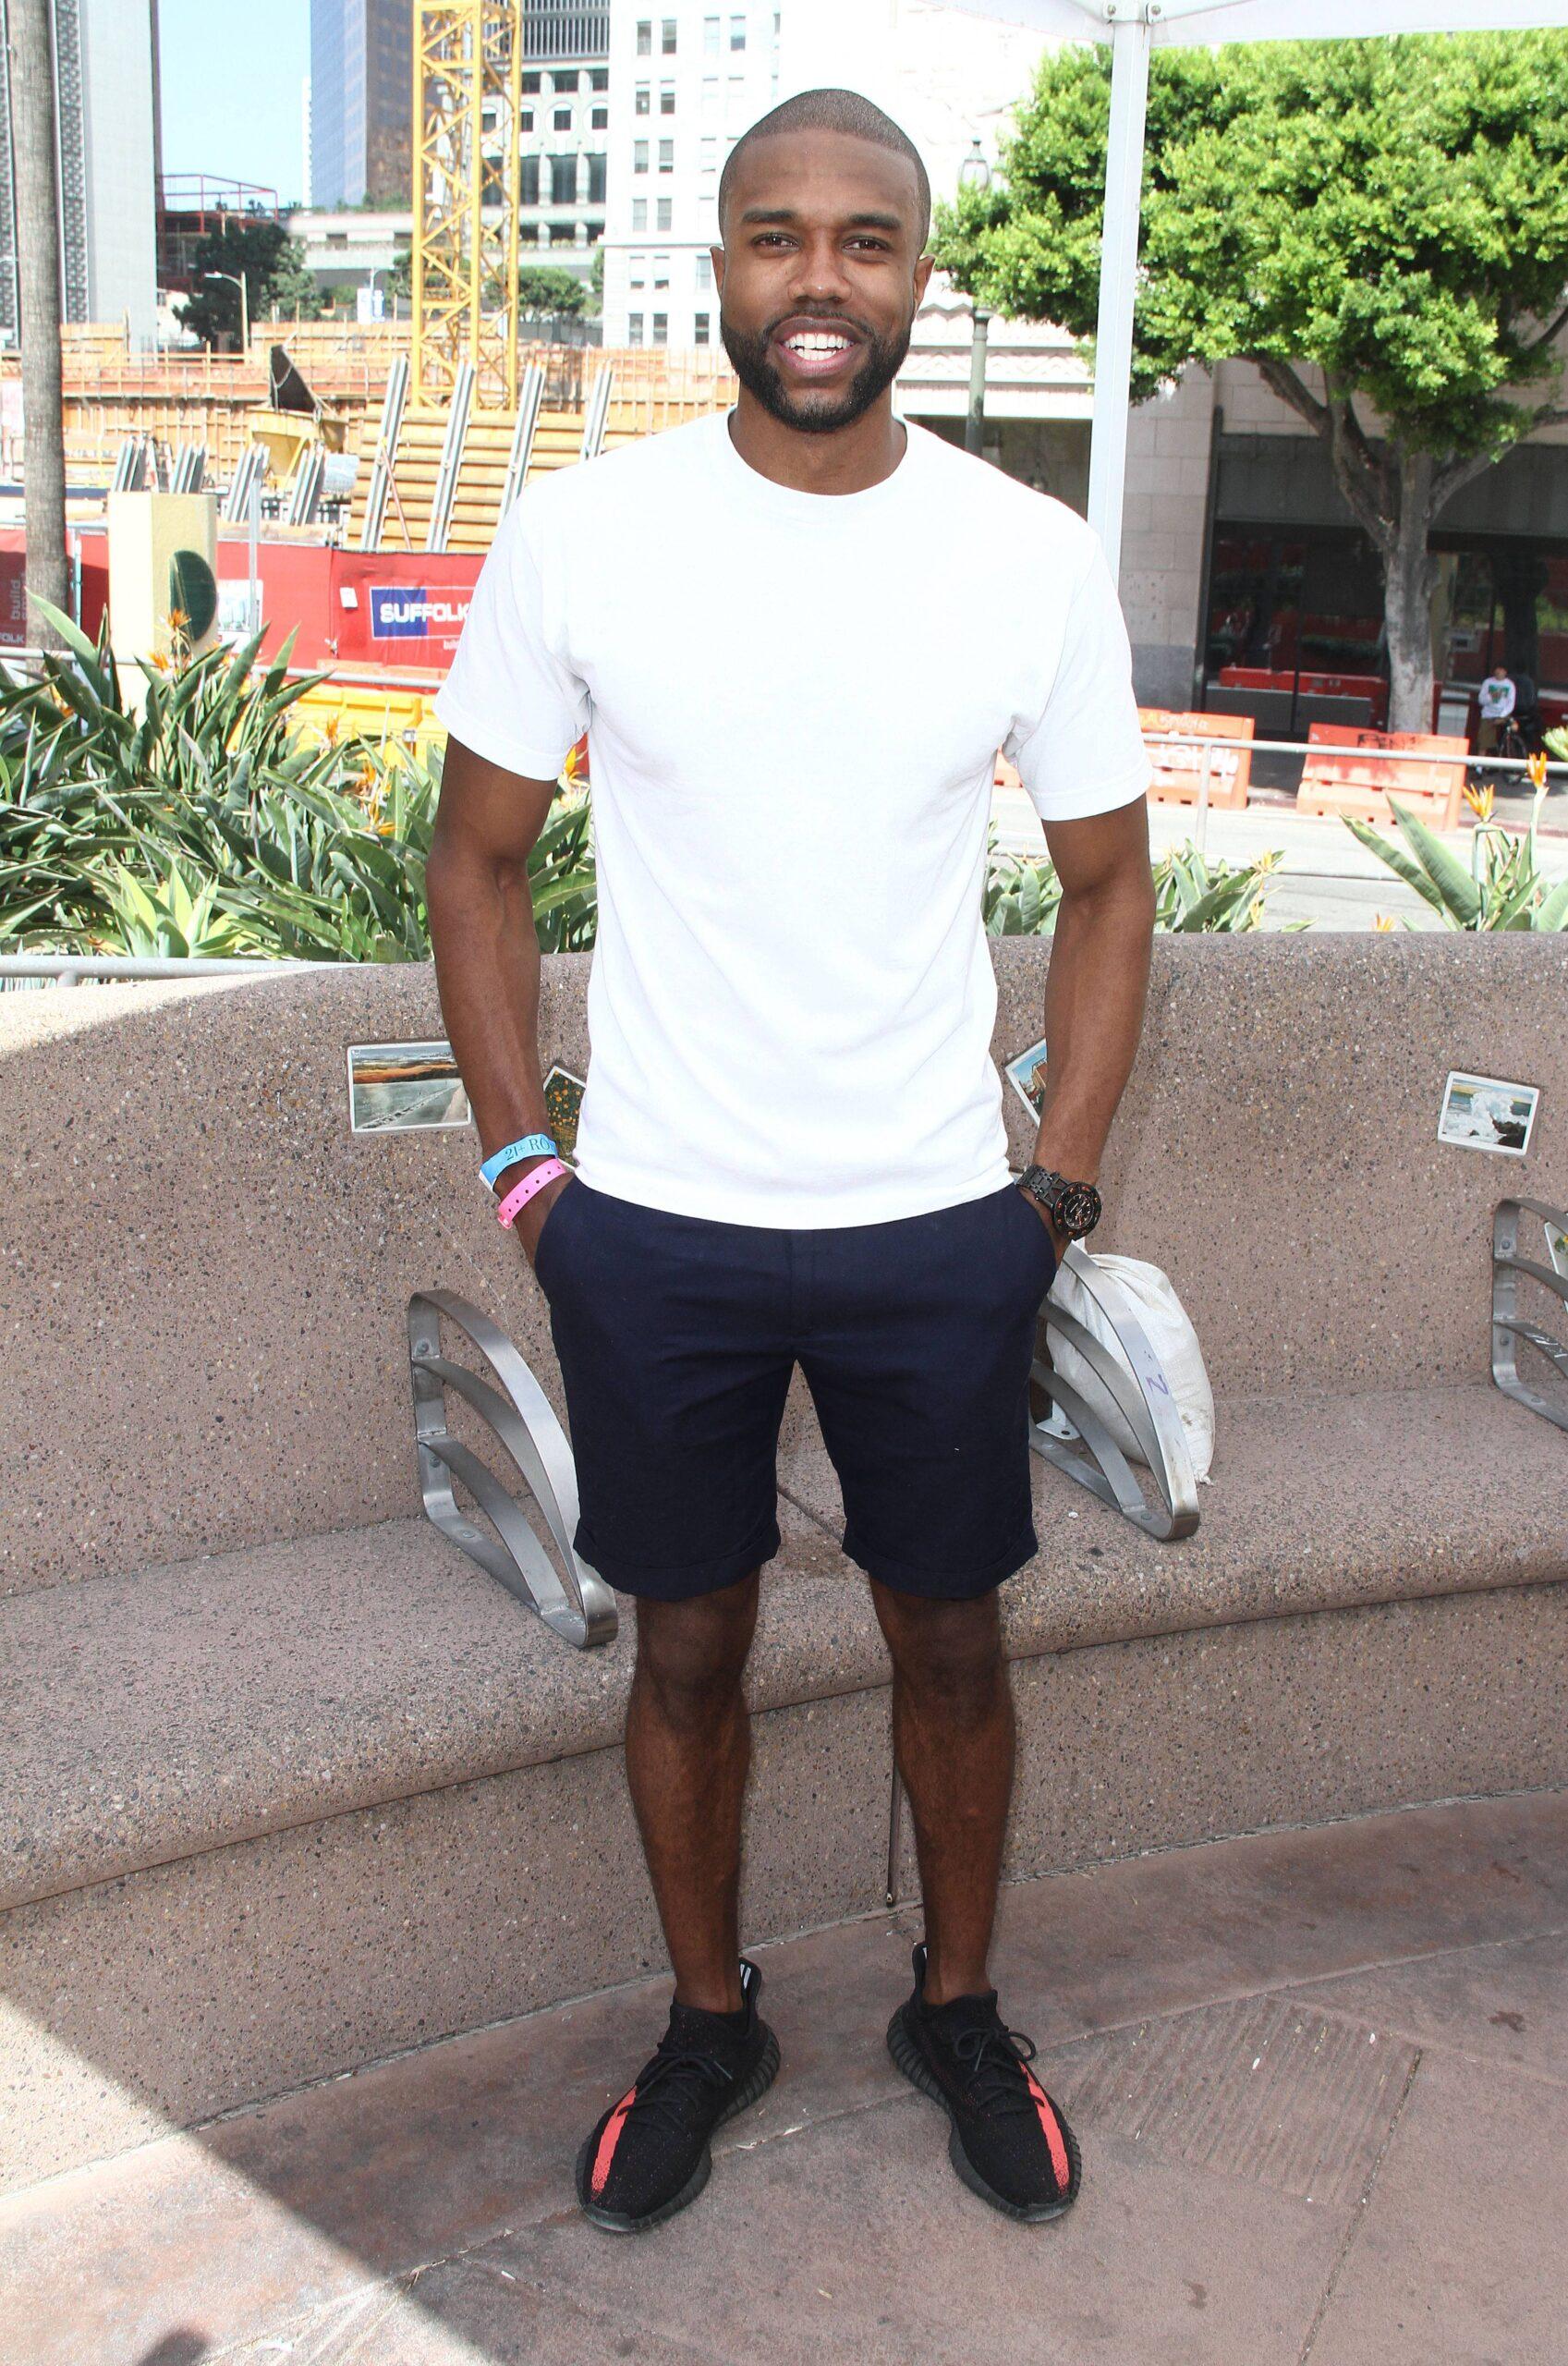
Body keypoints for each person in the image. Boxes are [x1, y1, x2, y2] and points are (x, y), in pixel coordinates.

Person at [426, 87, 1157, 2237]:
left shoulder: (1020, 553)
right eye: (774, 235)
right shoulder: (583, 533)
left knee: (952, 1644)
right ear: (717, 265)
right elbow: (472, 865)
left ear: (916, 275)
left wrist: (1059, 1190)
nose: (817, 278)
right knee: (685, 1652)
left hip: (940, 1221)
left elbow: (1109, 890)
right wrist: (528, 1178)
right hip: (657, 1225)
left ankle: (954, 2000)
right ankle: (703, 2011)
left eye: (863, 239)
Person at [1476, 662, 1517, 755]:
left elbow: (1510, 704)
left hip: (1503, 714)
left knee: (1514, 727)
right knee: (1483, 741)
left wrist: (1501, 716)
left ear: (1505, 672)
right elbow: (1481, 700)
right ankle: (1479, 767)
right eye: (1497, 669)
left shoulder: (1510, 685)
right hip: (1488, 715)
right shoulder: (1488, 682)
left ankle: (1508, 747)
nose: (1498, 672)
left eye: (1501, 670)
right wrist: (1491, 697)